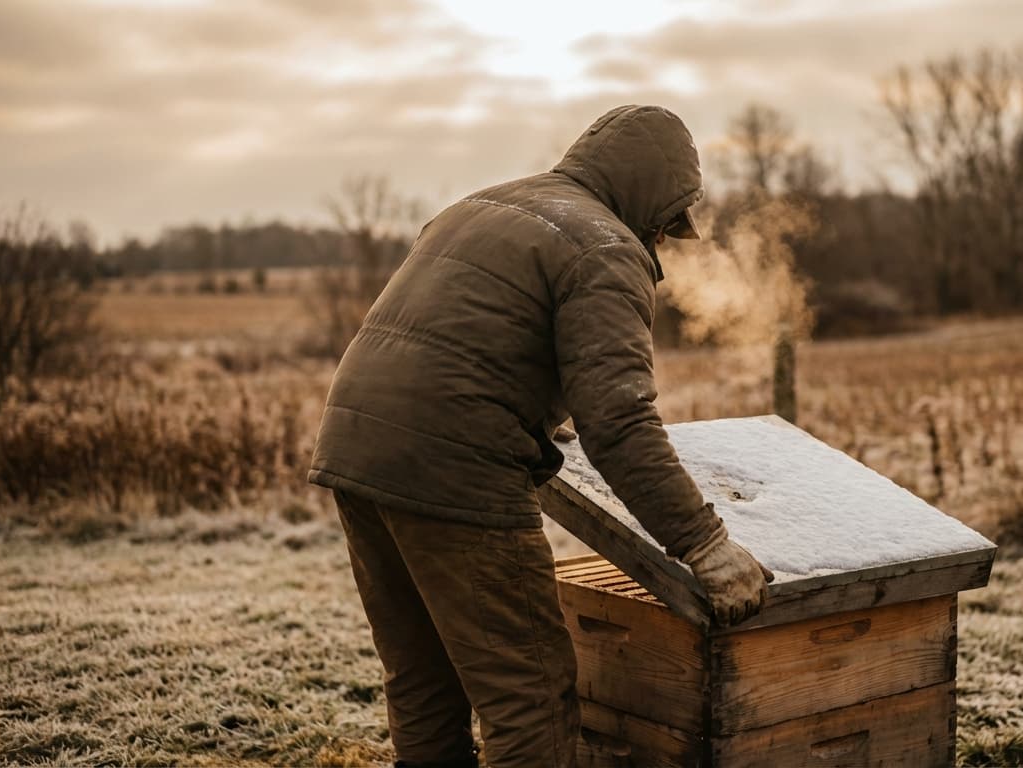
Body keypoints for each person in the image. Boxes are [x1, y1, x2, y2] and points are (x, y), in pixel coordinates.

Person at [307, 104, 772, 768]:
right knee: (528, 697)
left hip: (355, 448)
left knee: (424, 682)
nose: (663, 243)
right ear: (649, 204)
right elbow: (620, 423)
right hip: (457, 471)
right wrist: (706, 544)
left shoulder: (482, 204)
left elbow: (472, 336)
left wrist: (542, 415)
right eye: (665, 229)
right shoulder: (606, 247)